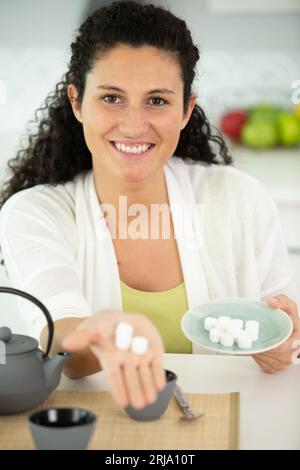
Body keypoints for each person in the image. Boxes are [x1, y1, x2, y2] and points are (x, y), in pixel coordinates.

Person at [0, 1, 299, 411]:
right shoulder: (34, 213)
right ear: (76, 102)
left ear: (186, 109)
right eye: (111, 98)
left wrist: (282, 350)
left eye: (157, 101)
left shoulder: (240, 199)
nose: (134, 125)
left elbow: (280, 337)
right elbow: (59, 337)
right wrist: (107, 333)